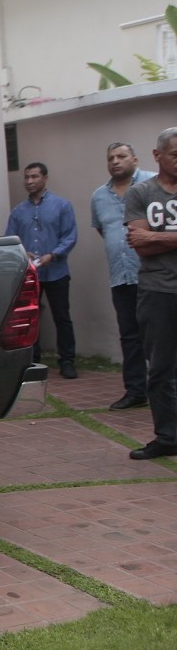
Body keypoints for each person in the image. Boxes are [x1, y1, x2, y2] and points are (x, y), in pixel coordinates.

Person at [124, 127, 177, 460]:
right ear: (158, 155)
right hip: (157, 292)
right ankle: (168, 437)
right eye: (175, 154)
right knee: (160, 368)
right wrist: (152, 240)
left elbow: (147, 239)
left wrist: (156, 237)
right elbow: (139, 246)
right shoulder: (140, 193)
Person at [90, 142, 155, 410]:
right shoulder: (99, 196)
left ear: (135, 159)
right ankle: (136, 391)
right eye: (110, 158)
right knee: (129, 336)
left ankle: (166, 389)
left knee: (161, 335)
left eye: (121, 156)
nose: (115, 161)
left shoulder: (152, 184)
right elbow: (103, 231)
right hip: (121, 276)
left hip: (153, 274)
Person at [4, 162, 79, 379]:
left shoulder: (62, 206)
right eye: (26, 177)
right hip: (30, 274)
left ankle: (67, 361)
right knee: (29, 318)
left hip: (56, 271)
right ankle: (32, 360)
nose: (29, 181)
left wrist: (53, 254)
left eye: (34, 176)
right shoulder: (18, 211)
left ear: (45, 178)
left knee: (62, 317)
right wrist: (23, 253)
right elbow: (11, 239)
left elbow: (70, 236)